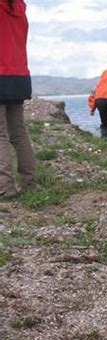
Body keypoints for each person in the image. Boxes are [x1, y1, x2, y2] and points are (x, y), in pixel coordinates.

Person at [0, 0, 36, 197]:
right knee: (19, 133)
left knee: (0, 134)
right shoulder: (20, 12)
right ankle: (29, 182)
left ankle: (5, 187)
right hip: (19, 76)